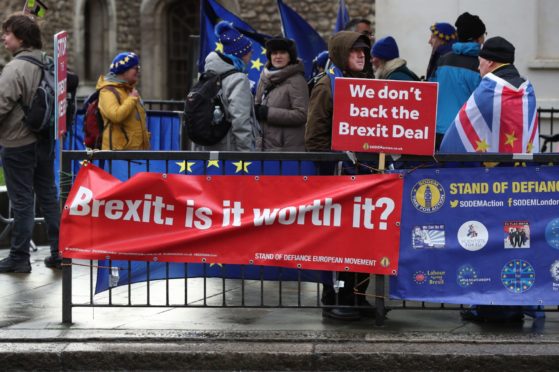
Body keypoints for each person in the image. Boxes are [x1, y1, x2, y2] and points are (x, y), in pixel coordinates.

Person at [305, 31, 372, 320]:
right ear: (341, 53)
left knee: (365, 238)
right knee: (341, 241)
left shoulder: (366, 84)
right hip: (339, 176)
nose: (361, 55)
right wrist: (335, 161)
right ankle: (337, 297)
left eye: (363, 51)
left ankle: (358, 296)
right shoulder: (327, 85)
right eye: (354, 51)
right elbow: (314, 137)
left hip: (366, 176)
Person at [0, 14, 61, 272]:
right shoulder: (49, 62)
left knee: (23, 201)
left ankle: (19, 257)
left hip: (17, 142)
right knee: (48, 197)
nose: (4, 37)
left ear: (21, 38)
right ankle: (60, 252)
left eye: (8, 33)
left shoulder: (15, 68)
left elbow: (1, 105)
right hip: (44, 141)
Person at [440, 37, 539, 153]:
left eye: (479, 61)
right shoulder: (528, 90)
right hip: (524, 167)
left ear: (490, 62)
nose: (478, 67)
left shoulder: (488, 88)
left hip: (491, 168)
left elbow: (459, 130)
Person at [197, 21, 260, 151]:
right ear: (242, 54)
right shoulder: (238, 79)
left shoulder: (208, 75)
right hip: (231, 152)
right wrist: (246, 156)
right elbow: (240, 121)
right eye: (250, 51)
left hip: (209, 149)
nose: (251, 54)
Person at [431, 12, 486, 150]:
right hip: (465, 134)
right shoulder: (481, 65)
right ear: (478, 39)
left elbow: (430, 93)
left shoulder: (443, 60)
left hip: (438, 132)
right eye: (483, 35)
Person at [254, 37, 308, 151]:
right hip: (263, 148)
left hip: (286, 151)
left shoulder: (297, 80)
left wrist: (268, 113)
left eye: (283, 52)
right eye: (274, 53)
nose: (278, 56)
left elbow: (301, 115)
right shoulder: (264, 78)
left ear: (290, 56)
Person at [96, 51, 150, 150]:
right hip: (118, 155)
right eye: (136, 68)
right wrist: (132, 99)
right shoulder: (107, 91)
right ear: (124, 70)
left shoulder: (128, 90)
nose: (138, 71)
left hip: (136, 153)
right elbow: (116, 115)